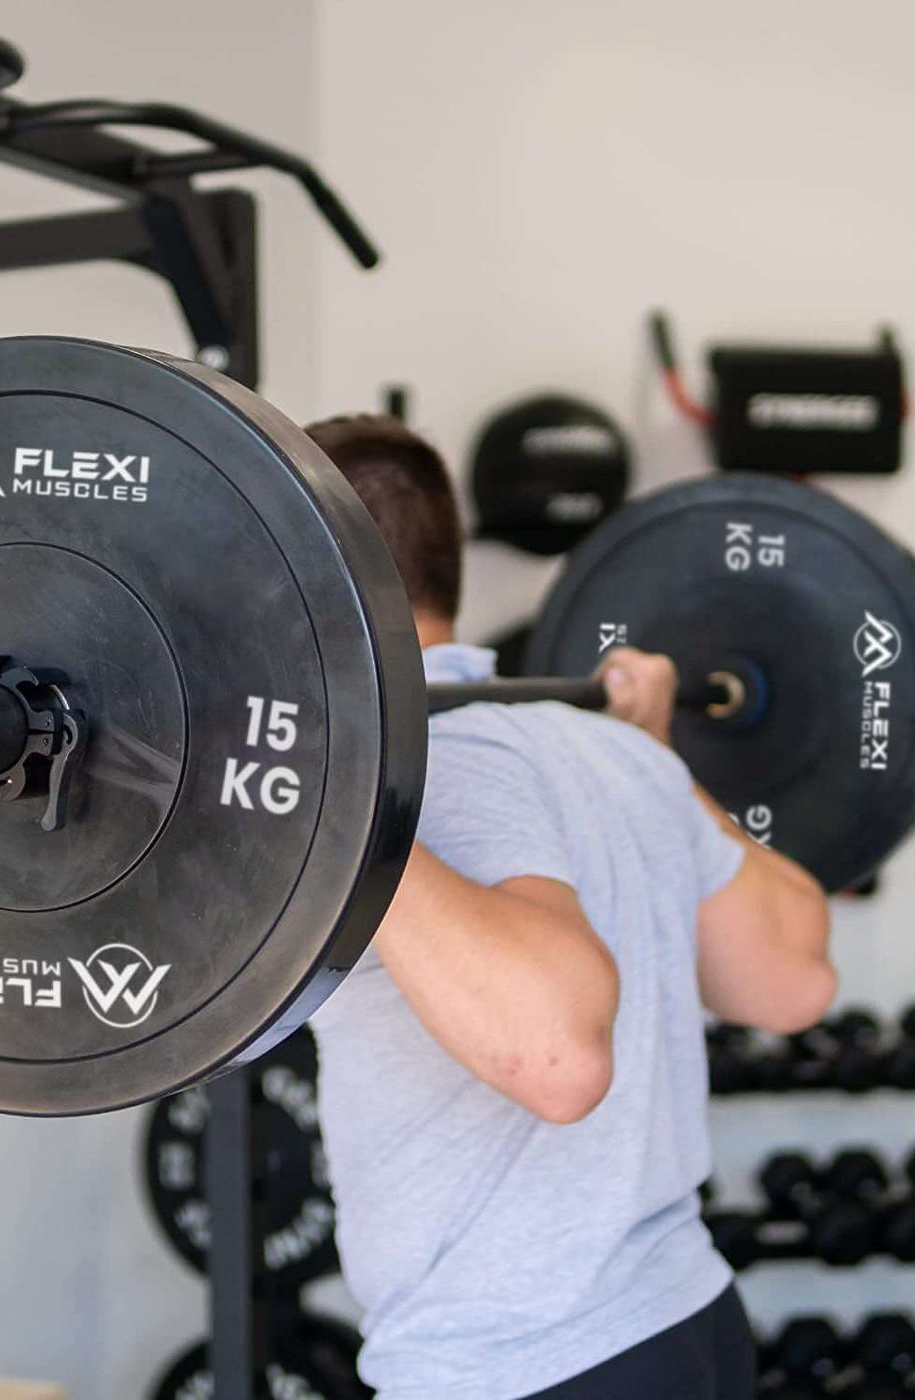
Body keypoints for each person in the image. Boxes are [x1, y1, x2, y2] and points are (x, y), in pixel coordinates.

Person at [305, 414, 834, 1400]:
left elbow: (557, 1060)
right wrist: (661, 757)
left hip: (518, 1359)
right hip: (684, 1321)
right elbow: (789, 978)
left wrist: (317, 796)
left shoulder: (416, 770)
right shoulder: (608, 747)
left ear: (299, 569)